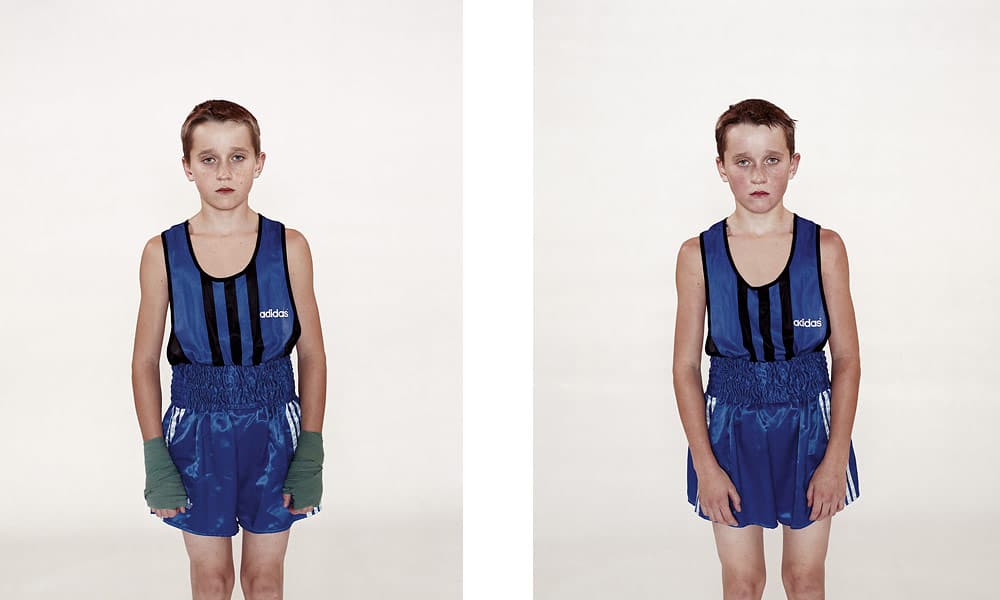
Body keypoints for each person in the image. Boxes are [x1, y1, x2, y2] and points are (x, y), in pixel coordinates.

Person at [132, 99, 326, 600]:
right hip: (197, 430)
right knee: (212, 581)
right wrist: (155, 455)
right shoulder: (162, 252)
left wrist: (310, 448)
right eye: (208, 159)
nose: (224, 172)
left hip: (273, 429)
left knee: (264, 581)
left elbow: (312, 354)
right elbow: (144, 362)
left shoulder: (289, 247)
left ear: (259, 163)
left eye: (237, 157)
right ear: (187, 167)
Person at [673, 99, 860, 599]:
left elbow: (846, 359)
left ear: (793, 164)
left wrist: (835, 458)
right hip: (729, 429)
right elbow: (685, 367)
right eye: (743, 161)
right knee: (742, 582)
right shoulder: (698, 254)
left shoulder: (825, 248)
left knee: (804, 579)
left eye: (772, 160)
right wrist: (705, 465)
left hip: (810, 426)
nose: (758, 175)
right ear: (722, 167)